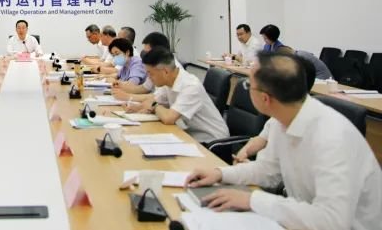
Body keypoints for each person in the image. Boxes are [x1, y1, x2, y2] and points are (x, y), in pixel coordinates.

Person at [186, 52, 382, 230]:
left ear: (265, 99)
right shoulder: (282, 120)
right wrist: (219, 173)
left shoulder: (331, 135)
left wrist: (252, 200)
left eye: (248, 85)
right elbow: (266, 171)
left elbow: (332, 221)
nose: (246, 88)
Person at [131, 47, 229, 143]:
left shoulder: (190, 86)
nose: (149, 77)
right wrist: (136, 107)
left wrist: (154, 106)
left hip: (212, 141)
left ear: (165, 71)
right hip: (189, 135)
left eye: (151, 73)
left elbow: (168, 118)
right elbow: (154, 100)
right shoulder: (168, 82)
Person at [233, 54, 317, 164]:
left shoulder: (313, 129)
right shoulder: (283, 109)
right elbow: (262, 138)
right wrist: (244, 153)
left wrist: (251, 168)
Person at [111, 32, 181, 101]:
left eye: (148, 53)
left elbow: (157, 98)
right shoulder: (155, 65)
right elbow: (144, 88)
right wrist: (122, 87)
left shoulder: (168, 66)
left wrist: (128, 96)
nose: (146, 56)